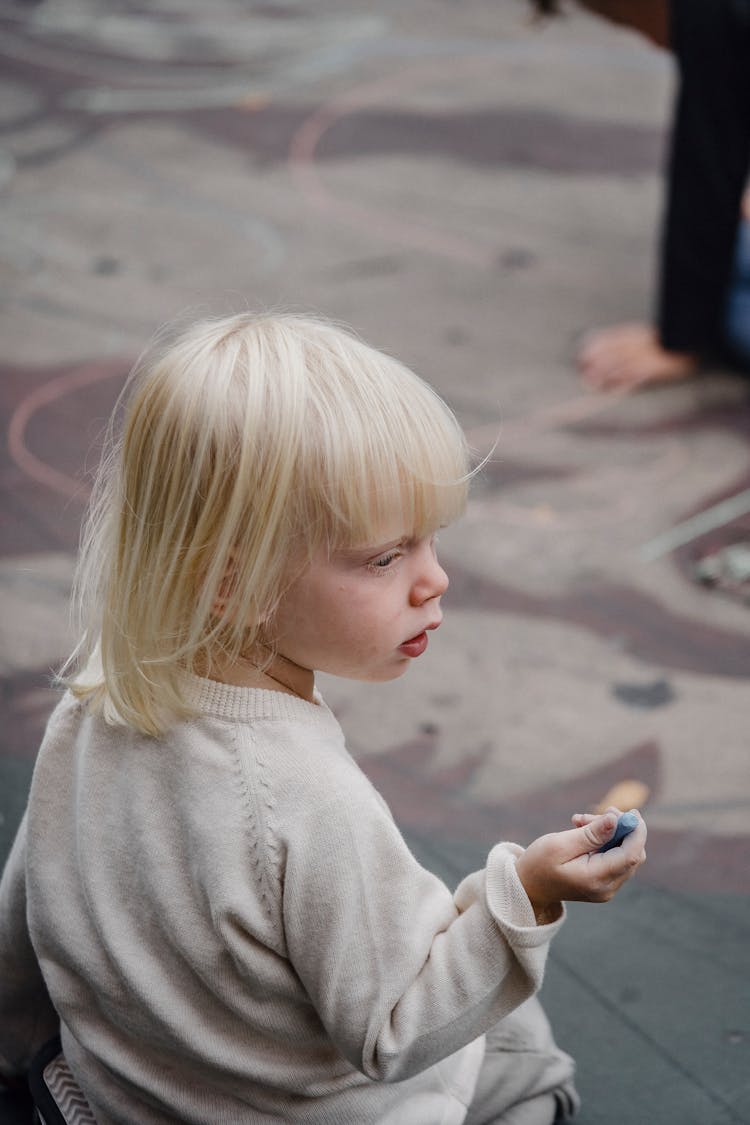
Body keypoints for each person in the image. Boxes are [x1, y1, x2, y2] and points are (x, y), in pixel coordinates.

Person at [0, 313, 646, 1124]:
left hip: (121, 1094)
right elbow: (396, 1033)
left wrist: (15, 1053)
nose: (433, 580)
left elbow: (26, 915)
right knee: (523, 1044)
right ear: (230, 583)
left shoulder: (96, 698)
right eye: (384, 558)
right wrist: (529, 891)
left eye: (431, 542)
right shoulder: (309, 802)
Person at [536, 0, 750, 391]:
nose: (649, 43)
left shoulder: (709, 12)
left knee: (734, 313)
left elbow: (709, 170)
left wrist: (680, 338)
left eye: (625, 21)